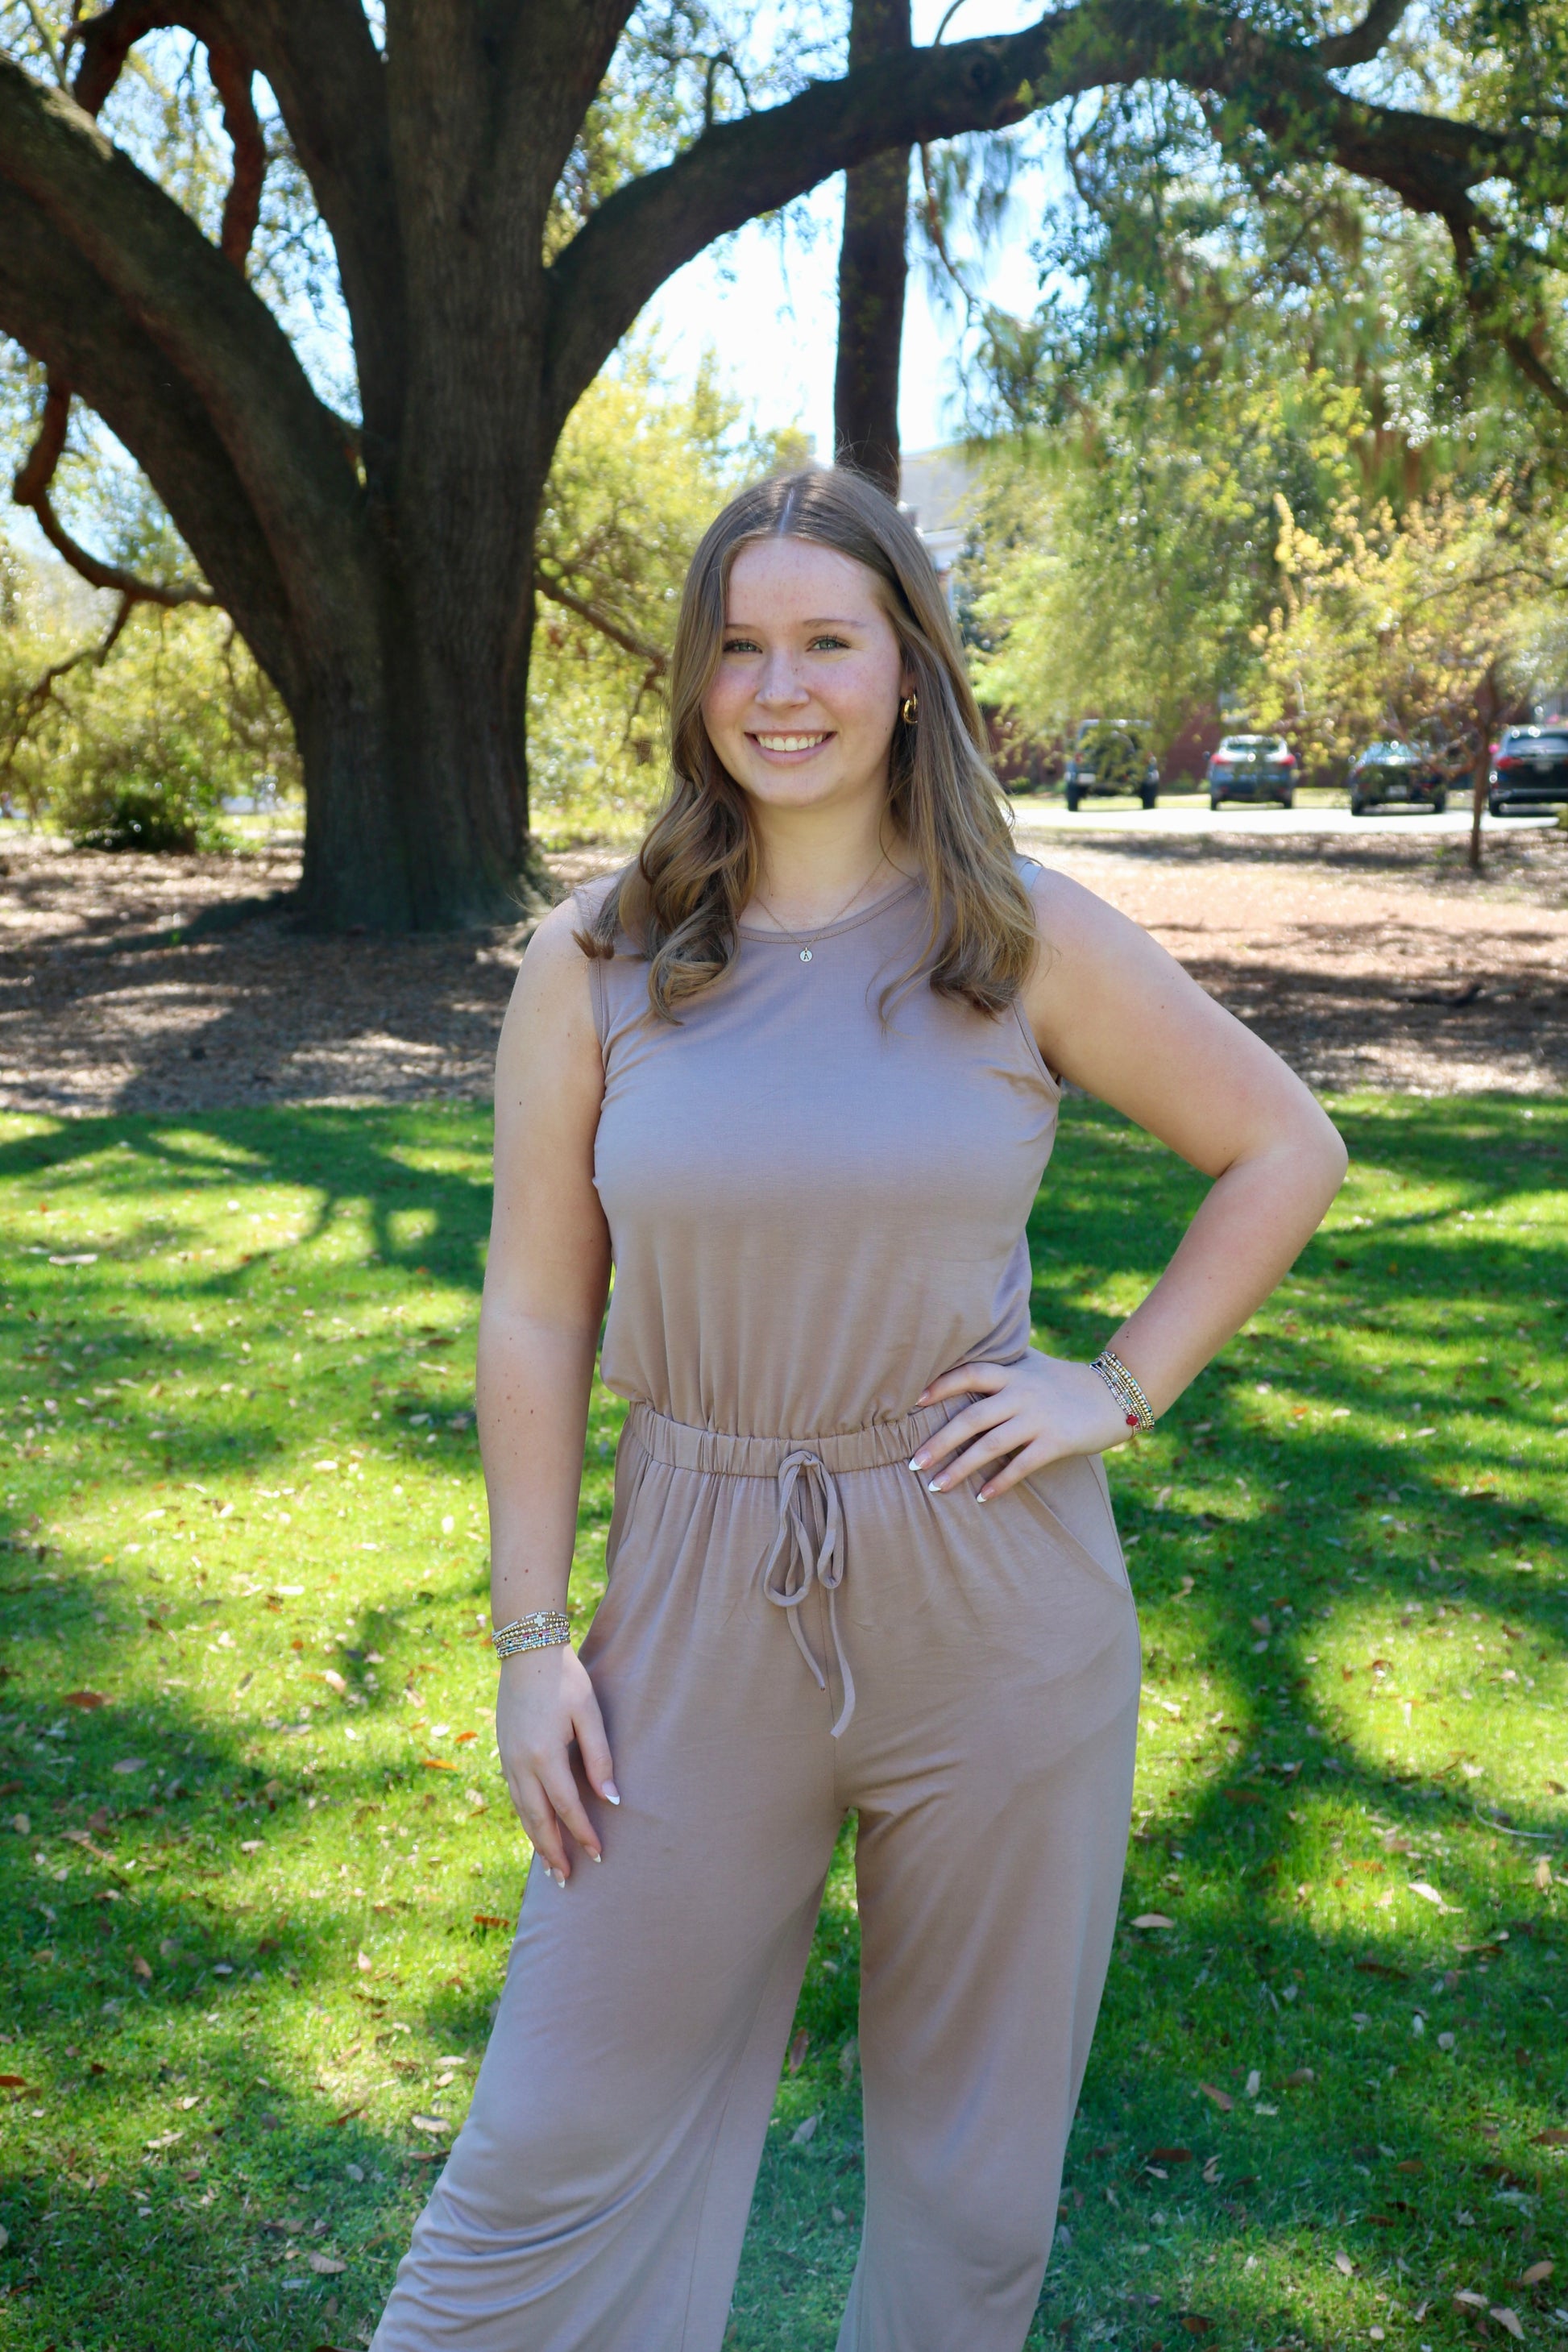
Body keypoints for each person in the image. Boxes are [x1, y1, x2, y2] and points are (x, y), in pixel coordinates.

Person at [370, 467, 1346, 2352]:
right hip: (690, 1586)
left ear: (909, 666)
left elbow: (1281, 1147)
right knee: (552, 2130)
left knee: (973, 2187)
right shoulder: (594, 959)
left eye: (827, 637)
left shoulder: (1022, 933)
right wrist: (525, 1636)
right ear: (691, 679)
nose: (780, 684)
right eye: (738, 643)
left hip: (995, 1601)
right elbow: (535, 1298)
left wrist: (1118, 1383)